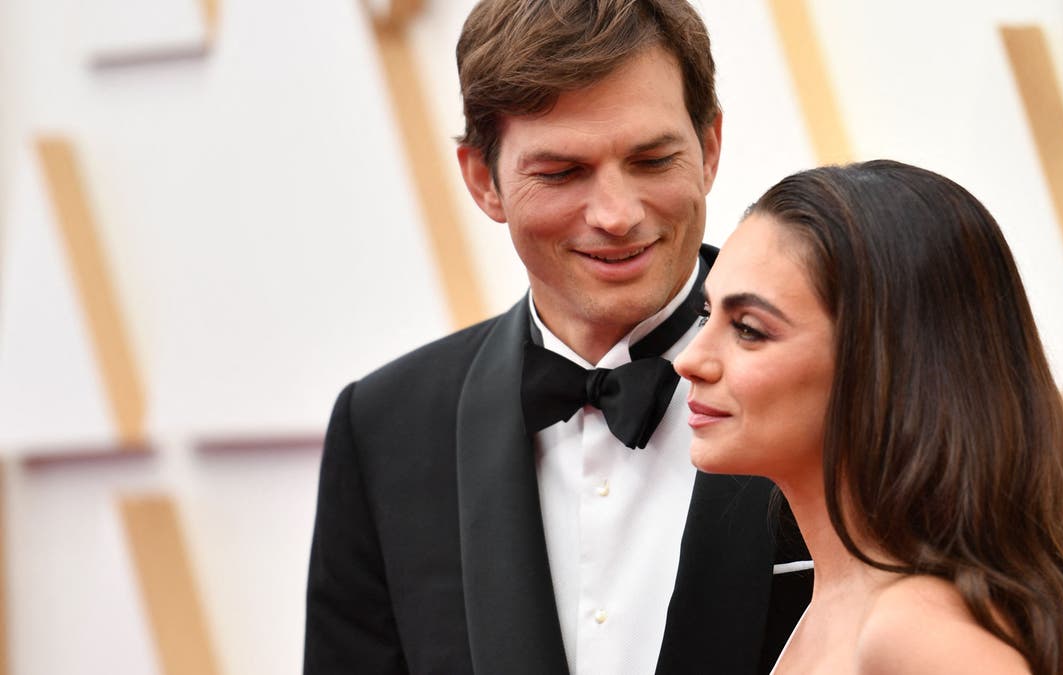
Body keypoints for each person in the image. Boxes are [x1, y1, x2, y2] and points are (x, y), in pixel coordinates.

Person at [304, 2, 810, 673]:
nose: (616, 214)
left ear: (709, 148)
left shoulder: (839, 376)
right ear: (484, 180)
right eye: (562, 173)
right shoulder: (387, 428)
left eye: (653, 159)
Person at [674, 160, 1063, 675]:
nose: (691, 359)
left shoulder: (916, 628)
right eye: (708, 316)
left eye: (750, 328)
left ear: (884, 363)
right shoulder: (846, 600)